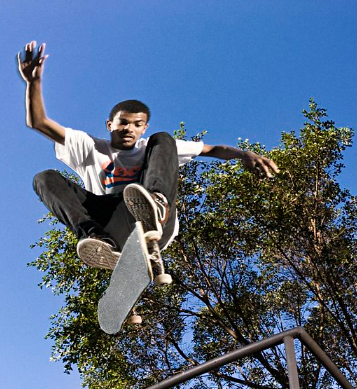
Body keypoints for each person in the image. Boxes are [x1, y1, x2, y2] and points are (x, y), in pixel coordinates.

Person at [18, 41, 279, 271]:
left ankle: (156, 203)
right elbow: (39, 122)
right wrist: (34, 83)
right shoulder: (88, 146)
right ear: (110, 125)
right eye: (122, 123)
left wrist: (245, 154)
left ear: (143, 128)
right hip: (110, 220)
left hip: (156, 223)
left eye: (136, 124)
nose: (128, 129)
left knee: (164, 140)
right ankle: (98, 241)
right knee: (44, 178)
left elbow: (212, 150)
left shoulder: (150, 145)